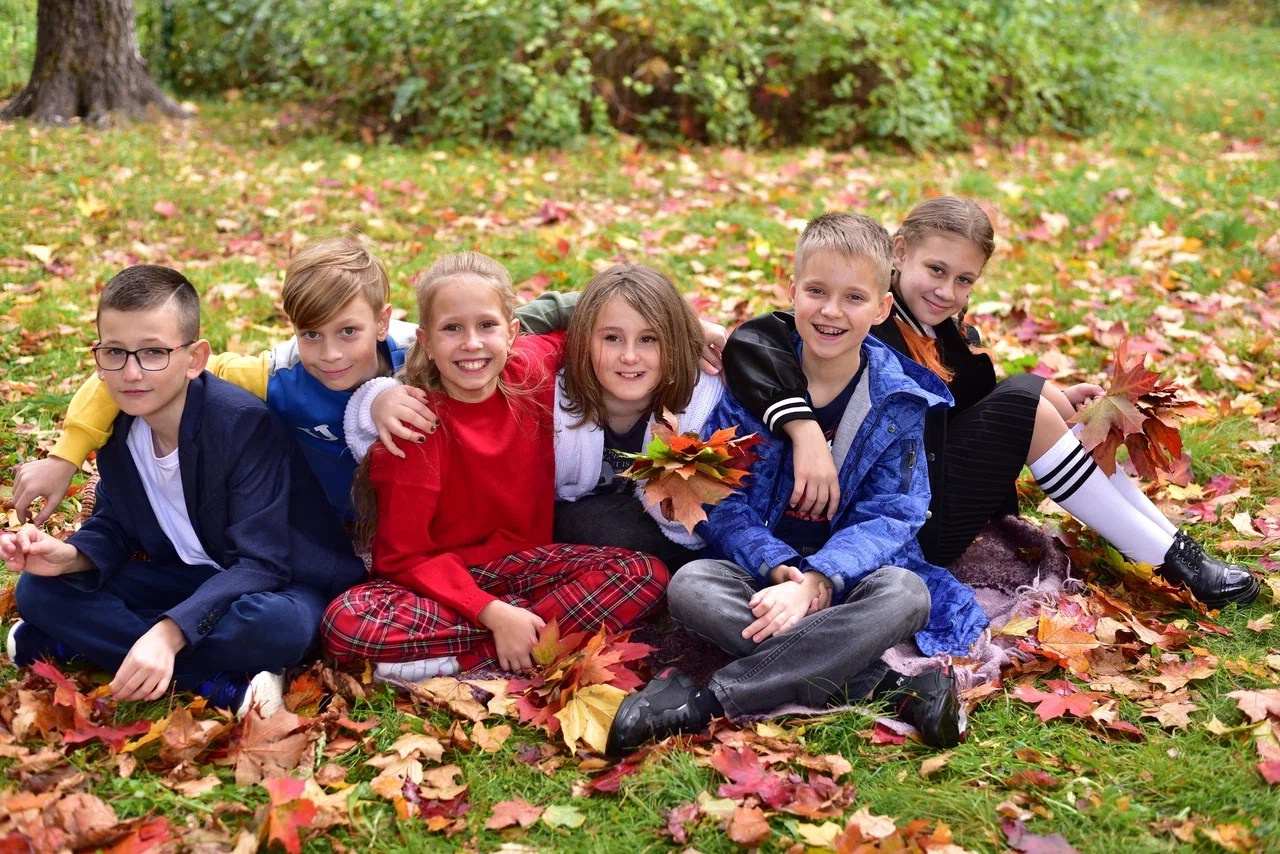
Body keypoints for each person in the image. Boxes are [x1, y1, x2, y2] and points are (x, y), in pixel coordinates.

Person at [721, 197, 1259, 609]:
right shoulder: (863, 320)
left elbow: (978, 402)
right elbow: (757, 340)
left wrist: (1057, 396)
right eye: (936, 270)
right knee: (1026, 398)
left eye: (964, 280)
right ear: (899, 252)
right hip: (902, 520)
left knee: (1033, 398)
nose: (946, 291)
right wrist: (802, 427)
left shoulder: (945, 334)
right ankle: (1168, 559)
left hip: (934, 495)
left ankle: (1172, 548)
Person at [606, 214, 988, 756]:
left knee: (908, 594)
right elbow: (724, 499)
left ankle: (711, 700)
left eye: (854, 298)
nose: (831, 312)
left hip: (857, 577)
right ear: (793, 292)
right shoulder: (753, 386)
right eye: (816, 291)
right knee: (691, 585)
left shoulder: (898, 400)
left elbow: (894, 512)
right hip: (763, 576)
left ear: (881, 308)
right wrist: (777, 565)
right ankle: (889, 687)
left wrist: (820, 580)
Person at [1, 265, 364, 717]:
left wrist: (169, 633)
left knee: (281, 626)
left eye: (153, 352)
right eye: (115, 351)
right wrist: (70, 556)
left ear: (194, 359)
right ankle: (216, 682)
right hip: (191, 580)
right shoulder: (118, 427)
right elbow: (117, 523)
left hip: (276, 583)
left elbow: (262, 563)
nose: (132, 372)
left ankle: (72, 645)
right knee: (39, 589)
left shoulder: (242, 425)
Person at [10, 238, 581, 523]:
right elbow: (132, 370)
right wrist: (65, 455)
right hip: (335, 538)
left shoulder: (431, 348)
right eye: (312, 334)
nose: (330, 355)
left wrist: (653, 310)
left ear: (382, 322)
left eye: (348, 333)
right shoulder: (278, 373)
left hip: (455, 525)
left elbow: (544, 312)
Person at [321, 252, 669, 681]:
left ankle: (461, 661)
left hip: (529, 568)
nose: (472, 344)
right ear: (425, 341)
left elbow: (609, 309)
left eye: (487, 326)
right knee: (346, 619)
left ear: (513, 333)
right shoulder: (416, 427)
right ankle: (514, 648)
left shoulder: (533, 371)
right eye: (452, 329)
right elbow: (402, 557)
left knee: (643, 574)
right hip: (442, 584)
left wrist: (688, 327)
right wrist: (491, 613)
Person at [347, 264, 724, 570]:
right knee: (587, 525)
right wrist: (381, 395)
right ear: (582, 339)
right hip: (562, 531)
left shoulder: (704, 392)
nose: (629, 355)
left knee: (646, 564)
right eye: (611, 339)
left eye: (650, 339)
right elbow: (444, 363)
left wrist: (685, 326)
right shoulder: (542, 372)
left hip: (674, 533)